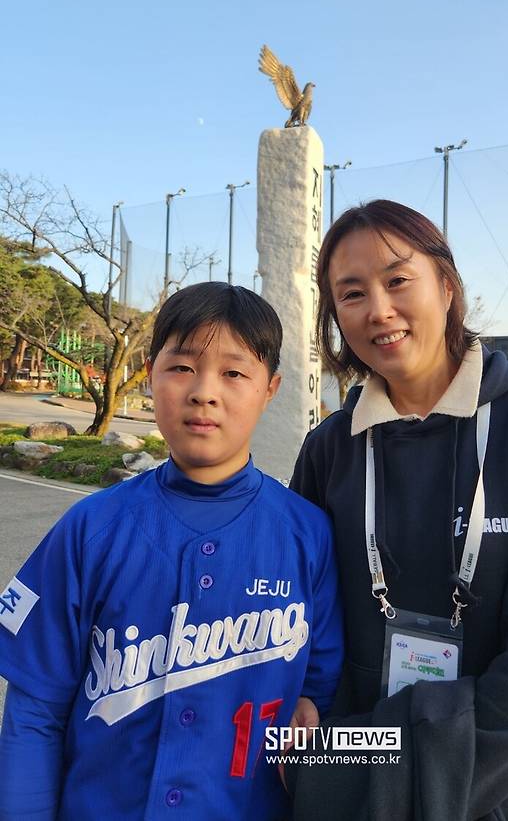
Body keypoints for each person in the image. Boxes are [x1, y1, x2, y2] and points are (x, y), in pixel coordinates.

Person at [288, 200, 508, 820]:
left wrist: (430, 776)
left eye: (397, 279)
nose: (378, 310)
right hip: (358, 764)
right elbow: (298, 611)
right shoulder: (330, 449)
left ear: (447, 285)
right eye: (351, 295)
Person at [0, 282, 343, 820]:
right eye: (182, 367)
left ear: (271, 389)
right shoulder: (90, 528)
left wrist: (316, 714)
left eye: (234, 373)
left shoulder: (308, 535)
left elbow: (319, 697)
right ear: (150, 372)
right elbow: (34, 714)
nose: (204, 392)